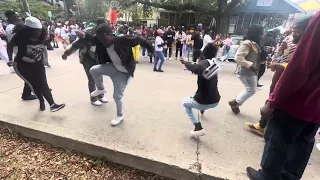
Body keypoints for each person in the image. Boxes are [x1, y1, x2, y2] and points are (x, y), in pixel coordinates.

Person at [246, 13, 319, 180]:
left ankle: (266, 177)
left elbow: (300, 66)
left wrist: (273, 101)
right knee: (303, 144)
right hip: (316, 109)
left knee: (277, 143)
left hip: (296, 102)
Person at [245, 17, 311, 137]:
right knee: (272, 96)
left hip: (289, 78)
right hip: (282, 74)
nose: (293, 33)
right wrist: (279, 54)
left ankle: (265, 127)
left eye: (297, 30)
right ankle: (263, 125)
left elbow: (300, 67)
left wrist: (280, 65)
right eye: (293, 30)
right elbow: (281, 54)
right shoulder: (291, 40)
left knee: (275, 102)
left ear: (307, 30)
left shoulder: (308, 47)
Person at [82, 23, 154, 126]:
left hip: (123, 73)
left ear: (109, 34)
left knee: (117, 97)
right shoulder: (102, 42)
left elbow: (139, 39)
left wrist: (151, 50)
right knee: (93, 70)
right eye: (100, 40)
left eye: (104, 39)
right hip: (113, 67)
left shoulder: (122, 40)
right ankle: (101, 89)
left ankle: (120, 115)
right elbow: (90, 38)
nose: (103, 41)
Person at [7, 16, 65, 112]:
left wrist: (50, 40)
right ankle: (41, 100)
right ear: (28, 30)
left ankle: (52, 105)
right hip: (22, 65)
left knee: (44, 84)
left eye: (39, 30)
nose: (38, 33)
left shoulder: (42, 34)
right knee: (34, 85)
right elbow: (9, 46)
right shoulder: (21, 36)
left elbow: (41, 44)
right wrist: (9, 59)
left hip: (38, 63)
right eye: (35, 31)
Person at [62, 18, 108, 106]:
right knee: (92, 78)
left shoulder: (105, 34)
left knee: (100, 77)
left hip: (98, 59)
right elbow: (75, 45)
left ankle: (100, 95)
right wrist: (66, 53)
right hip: (87, 59)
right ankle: (93, 98)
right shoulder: (88, 35)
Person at [180, 43, 220, 137]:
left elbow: (194, 67)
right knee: (206, 88)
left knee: (185, 103)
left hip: (203, 102)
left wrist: (185, 62)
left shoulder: (202, 64)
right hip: (216, 100)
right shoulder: (215, 63)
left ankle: (198, 127)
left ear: (204, 52)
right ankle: (202, 110)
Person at [228, 25, 264, 114]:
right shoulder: (247, 43)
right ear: (257, 33)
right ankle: (236, 102)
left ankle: (236, 101)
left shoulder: (254, 43)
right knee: (251, 90)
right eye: (261, 32)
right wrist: (250, 65)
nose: (263, 34)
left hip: (252, 71)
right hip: (246, 71)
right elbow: (238, 57)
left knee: (250, 89)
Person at [5, 10, 37, 101]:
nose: (18, 18)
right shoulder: (11, 27)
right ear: (11, 17)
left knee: (32, 72)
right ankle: (27, 93)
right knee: (30, 73)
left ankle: (34, 89)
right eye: (15, 16)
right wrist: (10, 59)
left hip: (23, 50)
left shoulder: (13, 26)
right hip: (21, 51)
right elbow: (11, 43)